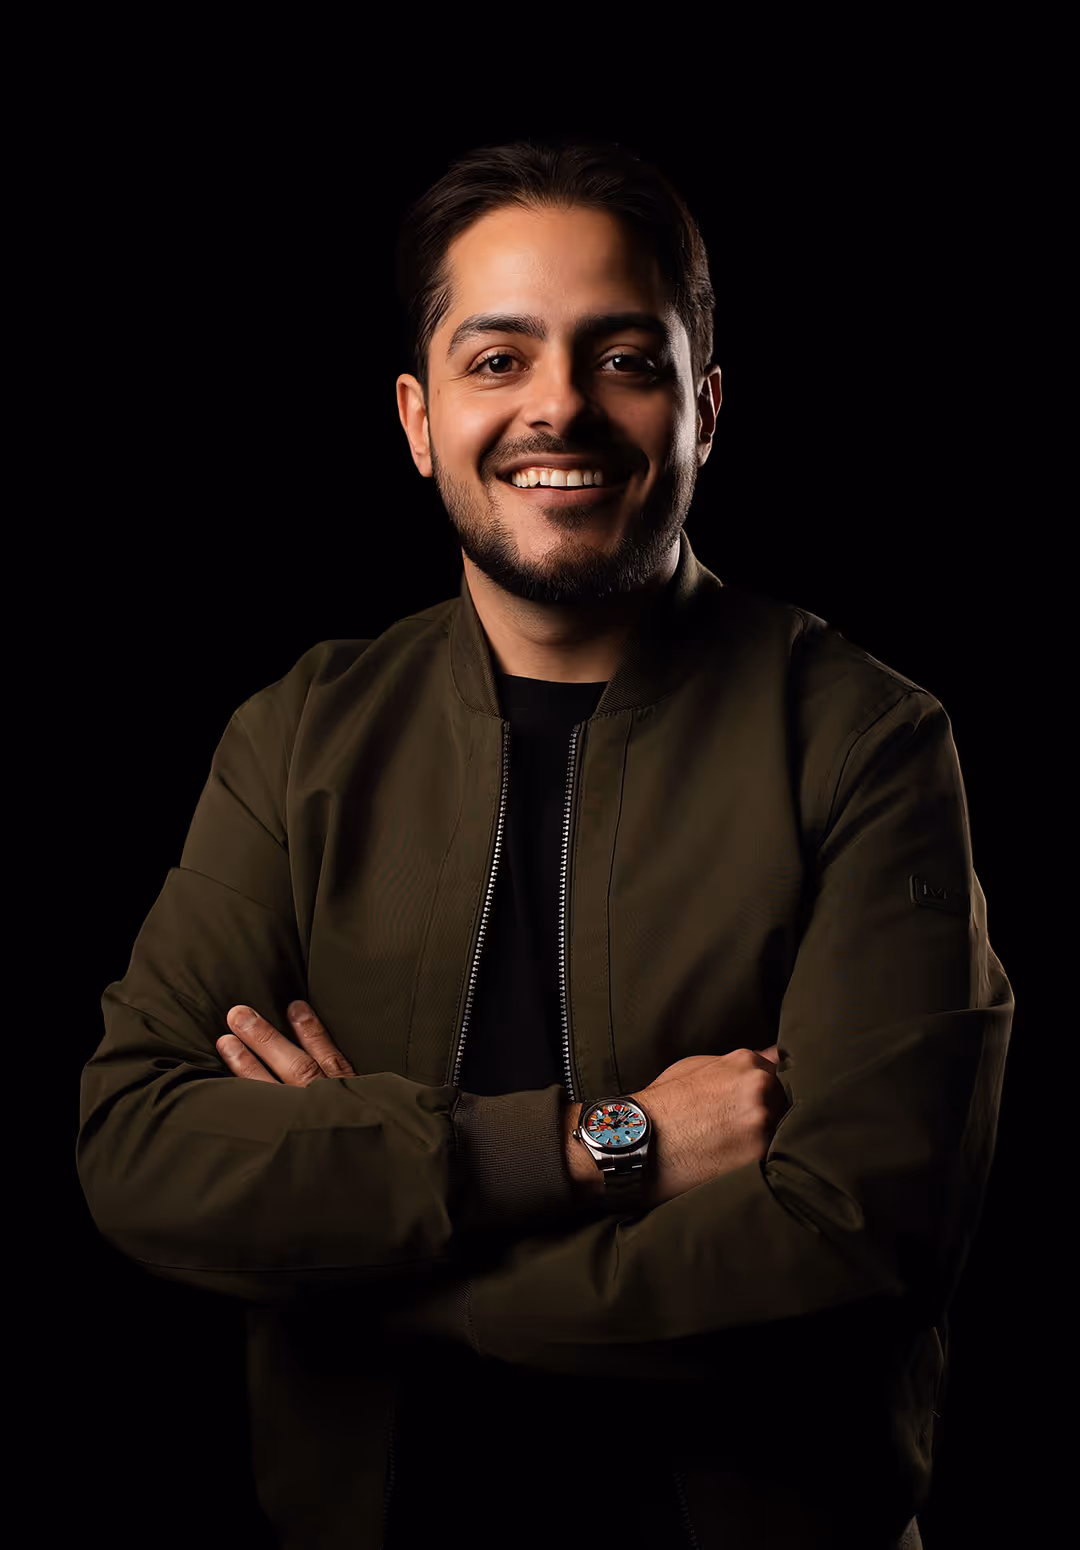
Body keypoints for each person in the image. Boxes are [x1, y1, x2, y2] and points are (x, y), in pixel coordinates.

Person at [77, 136, 1013, 1550]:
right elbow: (140, 1144)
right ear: (418, 416)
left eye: (623, 358)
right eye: (498, 359)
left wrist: (371, 1269)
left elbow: (855, 1239)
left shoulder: (867, 741)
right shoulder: (300, 735)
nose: (559, 405)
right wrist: (597, 1149)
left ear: (703, 409)